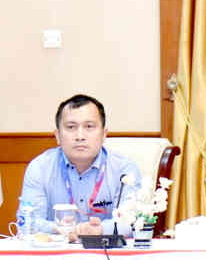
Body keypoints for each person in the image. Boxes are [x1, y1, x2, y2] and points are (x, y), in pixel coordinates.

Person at [18, 94, 141, 238]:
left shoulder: (124, 170)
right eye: (71, 127)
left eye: (89, 126)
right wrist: (58, 228)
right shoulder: (39, 168)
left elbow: (133, 221)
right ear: (57, 135)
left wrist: (100, 230)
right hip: (57, 249)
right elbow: (27, 221)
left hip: (106, 250)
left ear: (104, 134)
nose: (80, 136)